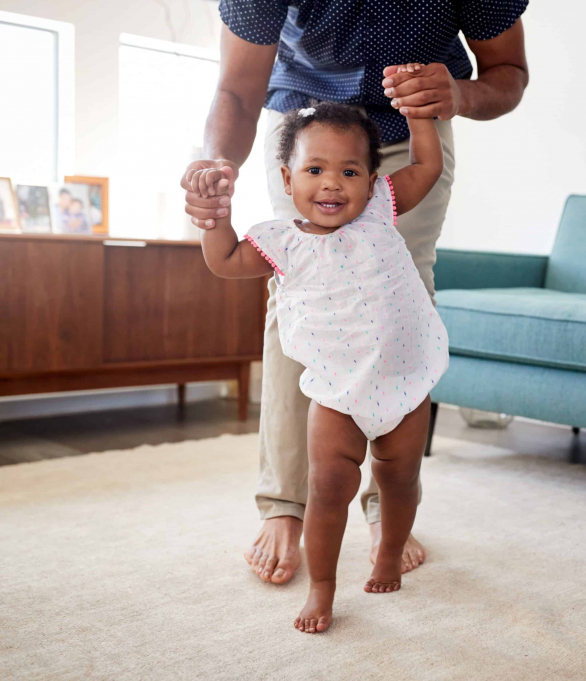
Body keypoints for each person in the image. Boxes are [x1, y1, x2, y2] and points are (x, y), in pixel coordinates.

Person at [181, 0, 529, 585]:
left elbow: (508, 73)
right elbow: (238, 92)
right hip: (306, 132)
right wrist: (215, 175)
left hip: (409, 132)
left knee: (402, 288)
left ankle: (385, 501)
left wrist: (455, 97)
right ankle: (288, 503)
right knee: (300, 291)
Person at [199, 97, 449, 632]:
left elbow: (427, 166)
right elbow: (221, 261)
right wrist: (214, 217)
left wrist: (420, 118)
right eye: (315, 170)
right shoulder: (281, 242)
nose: (332, 183)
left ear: (371, 179)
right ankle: (323, 588)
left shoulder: (383, 207)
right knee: (329, 487)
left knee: (400, 477)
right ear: (287, 180)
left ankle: (389, 549)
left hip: (402, 382)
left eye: (349, 171)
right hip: (336, 392)